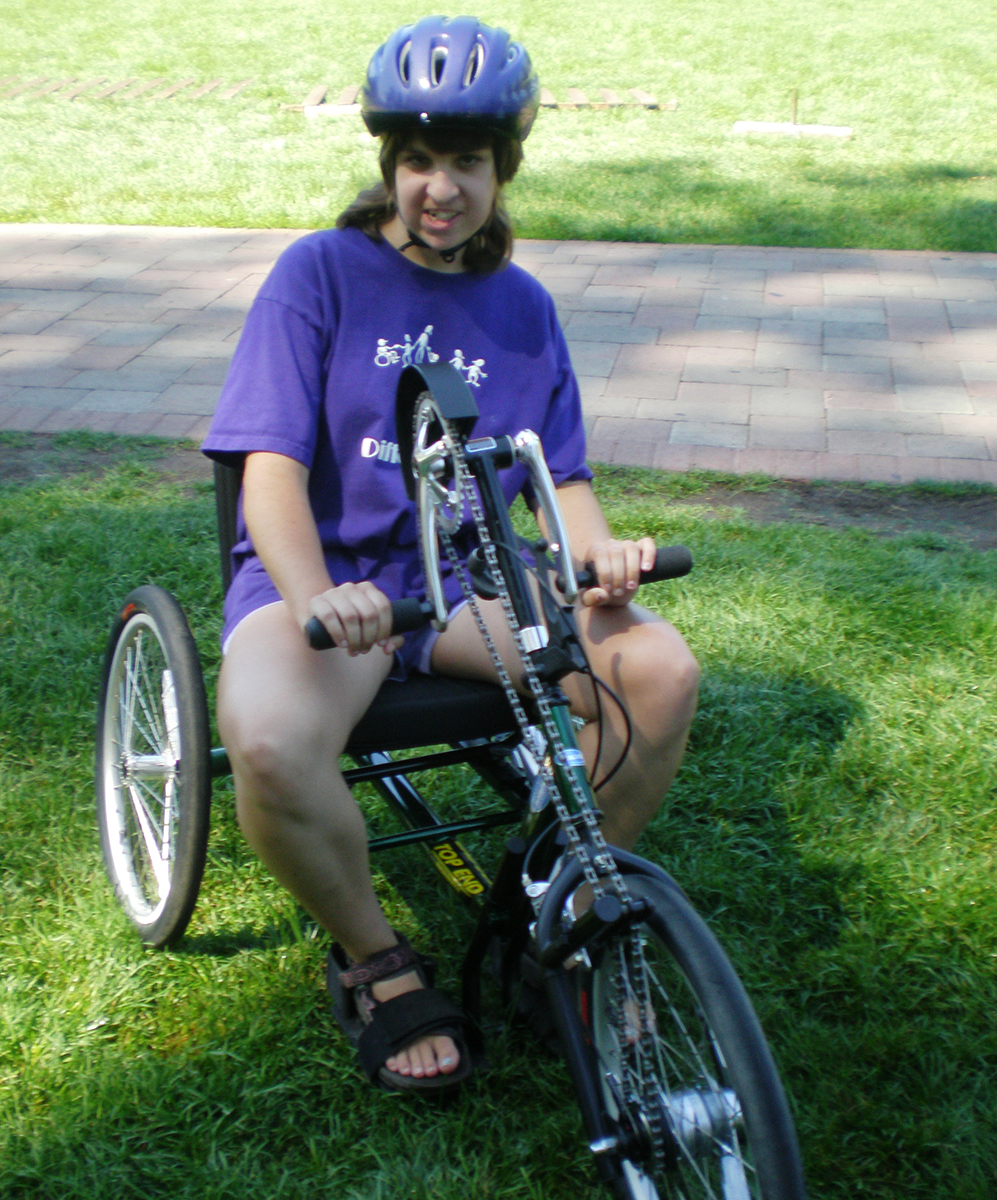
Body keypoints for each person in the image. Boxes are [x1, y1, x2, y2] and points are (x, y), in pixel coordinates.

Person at [201, 16, 699, 1095]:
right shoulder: (319, 275)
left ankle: (549, 919)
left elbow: (558, 476)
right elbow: (269, 468)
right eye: (420, 159)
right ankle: (381, 963)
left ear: (501, 168)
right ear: (390, 164)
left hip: (469, 585)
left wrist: (598, 554)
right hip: (336, 585)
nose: (441, 186)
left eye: (466, 161)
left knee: (657, 673)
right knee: (275, 743)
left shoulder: (522, 307)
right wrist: (315, 595)